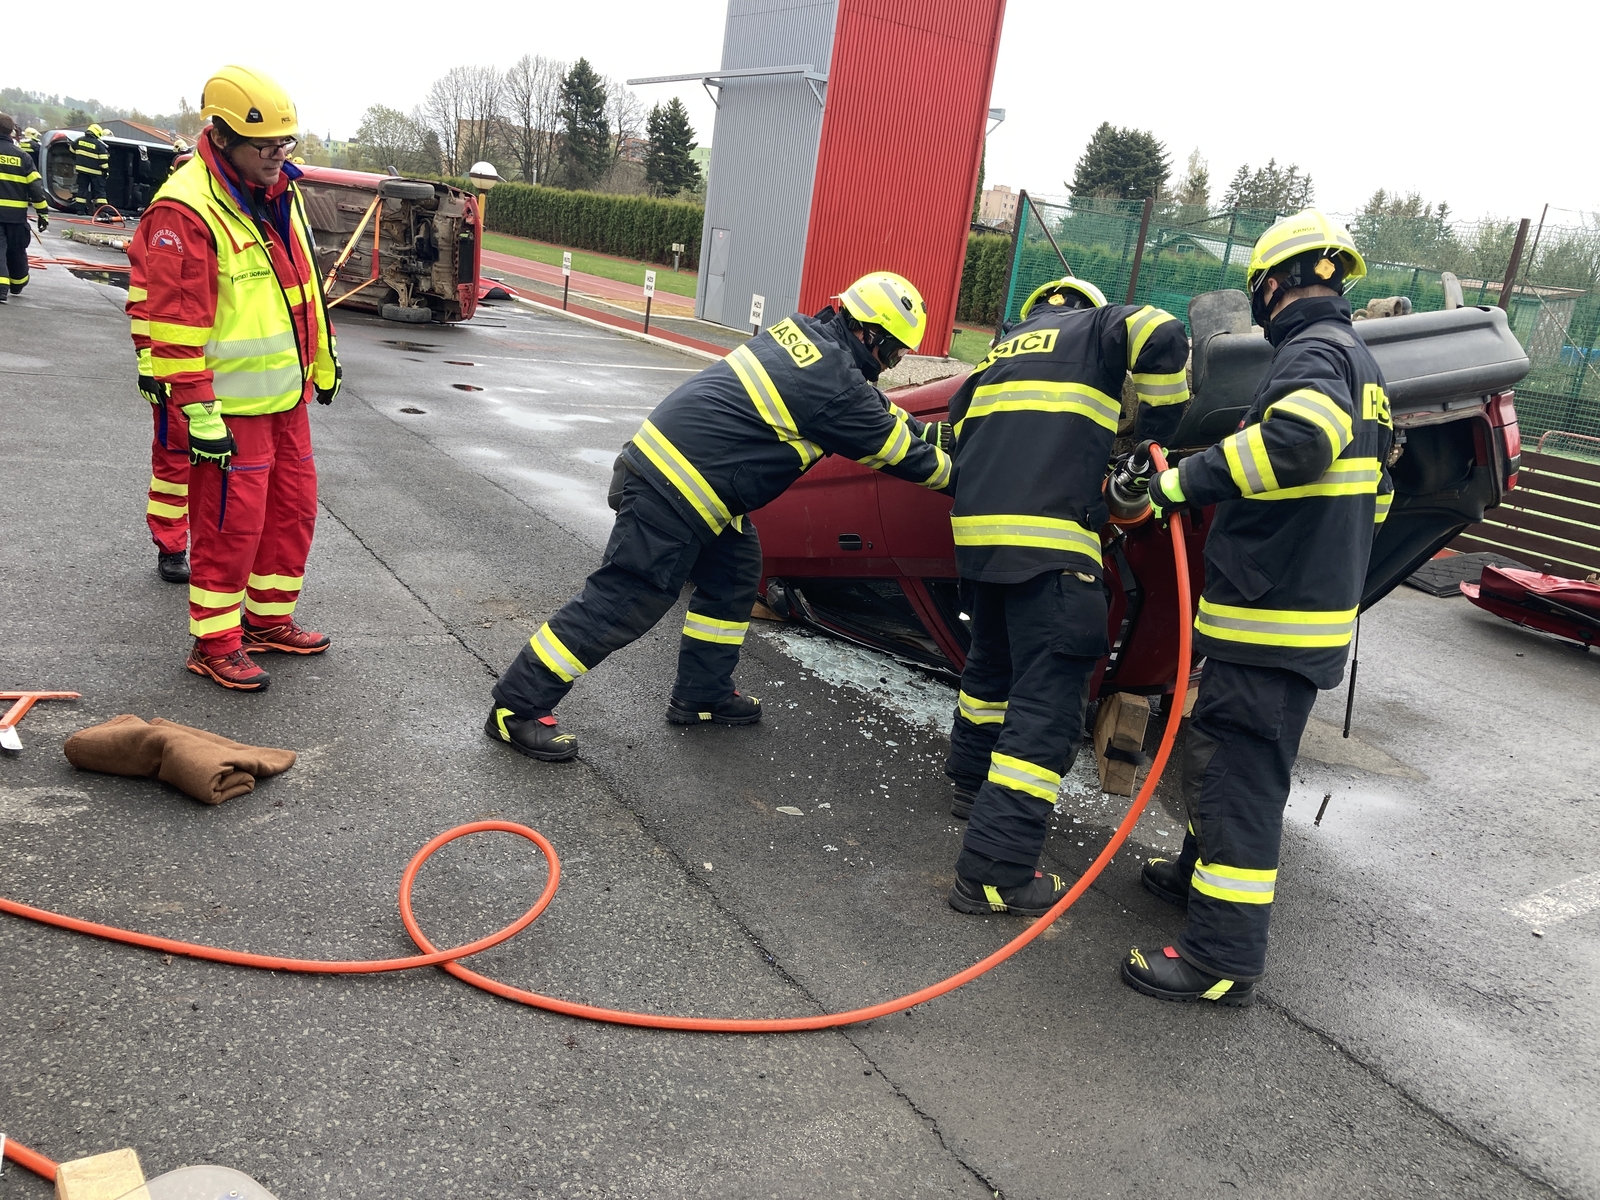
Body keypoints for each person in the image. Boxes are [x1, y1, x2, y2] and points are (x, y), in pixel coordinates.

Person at [486, 272, 955, 761]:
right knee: (625, 598)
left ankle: (702, 695)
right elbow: (901, 453)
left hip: (689, 481)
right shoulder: (834, 384)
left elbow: (882, 412)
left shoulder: (808, 339)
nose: (892, 363)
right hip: (676, 490)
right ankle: (517, 707)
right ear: (871, 335)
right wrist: (971, 481)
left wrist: (950, 436)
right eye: (894, 353)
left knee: (734, 576)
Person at [1123, 209, 1393, 1006]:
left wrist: (1181, 481)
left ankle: (1220, 960)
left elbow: (1295, 444)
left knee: (1238, 781)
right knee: (1219, 758)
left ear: (1273, 285)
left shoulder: (1312, 353)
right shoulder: (1362, 365)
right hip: (1294, 614)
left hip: (1272, 621)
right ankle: (1194, 875)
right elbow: (1375, 495)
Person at [941, 277, 1190, 917]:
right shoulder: (1097, 329)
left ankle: (969, 786)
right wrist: (1152, 441)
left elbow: (963, 446)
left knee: (989, 674)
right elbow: (1163, 331)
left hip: (981, 552)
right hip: (1053, 555)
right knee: (1045, 711)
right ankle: (994, 874)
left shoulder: (992, 361)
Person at [127, 65, 341, 692]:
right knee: (229, 527)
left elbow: (301, 288)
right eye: (264, 145)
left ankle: (268, 622)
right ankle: (215, 643)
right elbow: (174, 326)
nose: (278, 155)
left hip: (285, 397)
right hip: (228, 407)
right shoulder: (187, 209)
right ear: (220, 137)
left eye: (284, 142)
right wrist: (197, 412)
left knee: (292, 512)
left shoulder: (280, 191)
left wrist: (322, 363)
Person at [0, 114, 49, 302]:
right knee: (17, 250)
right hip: (16, 218)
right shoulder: (23, 157)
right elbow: (36, 188)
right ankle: (18, 282)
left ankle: (1, 288)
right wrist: (43, 213)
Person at [73, 123, 109, 216]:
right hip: (96, 172)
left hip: (82, 171)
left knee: (82, 190)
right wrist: (106, 171)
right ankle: (102, 211)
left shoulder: (79, 140)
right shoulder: (99, 144)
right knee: (99, 192)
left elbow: (72, 150)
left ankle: (80, 210)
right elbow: (103, 160)